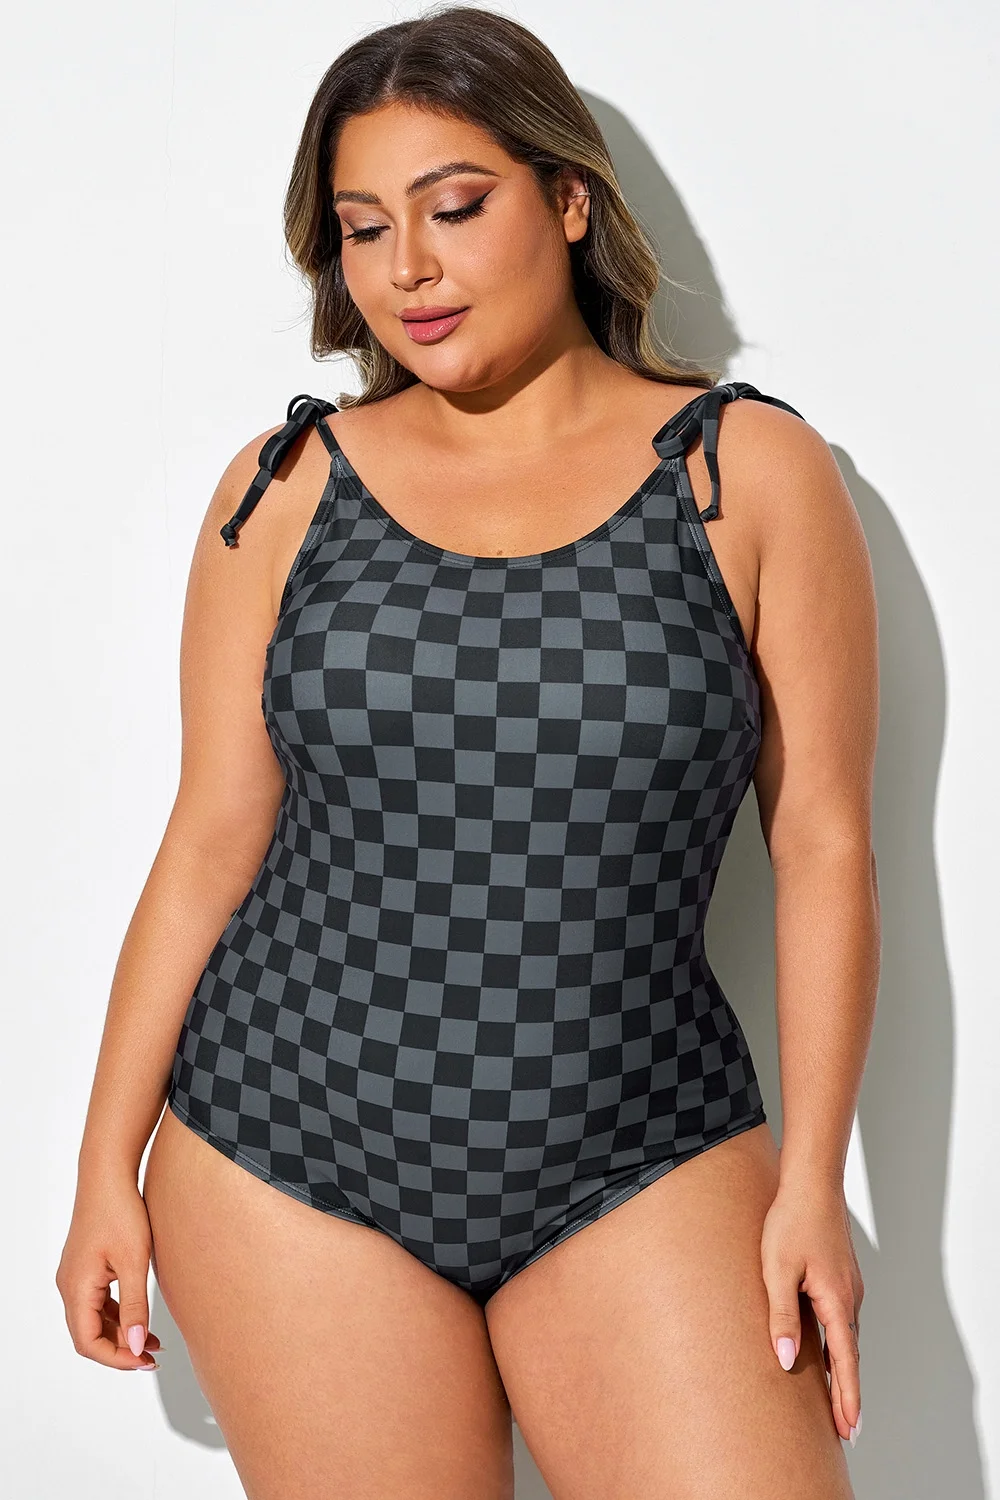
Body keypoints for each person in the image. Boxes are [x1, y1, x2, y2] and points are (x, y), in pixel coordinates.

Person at [56, 6, 878, 1496]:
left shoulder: (743, 471)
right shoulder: (286, 489)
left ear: (568, 200)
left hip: (641, 1149)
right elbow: (213, 835)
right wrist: (101, 1167)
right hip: (287, 1149)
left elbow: (820, 836)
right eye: (365, 230)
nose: (408, 271)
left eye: (453, 208)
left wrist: (813, 1177)